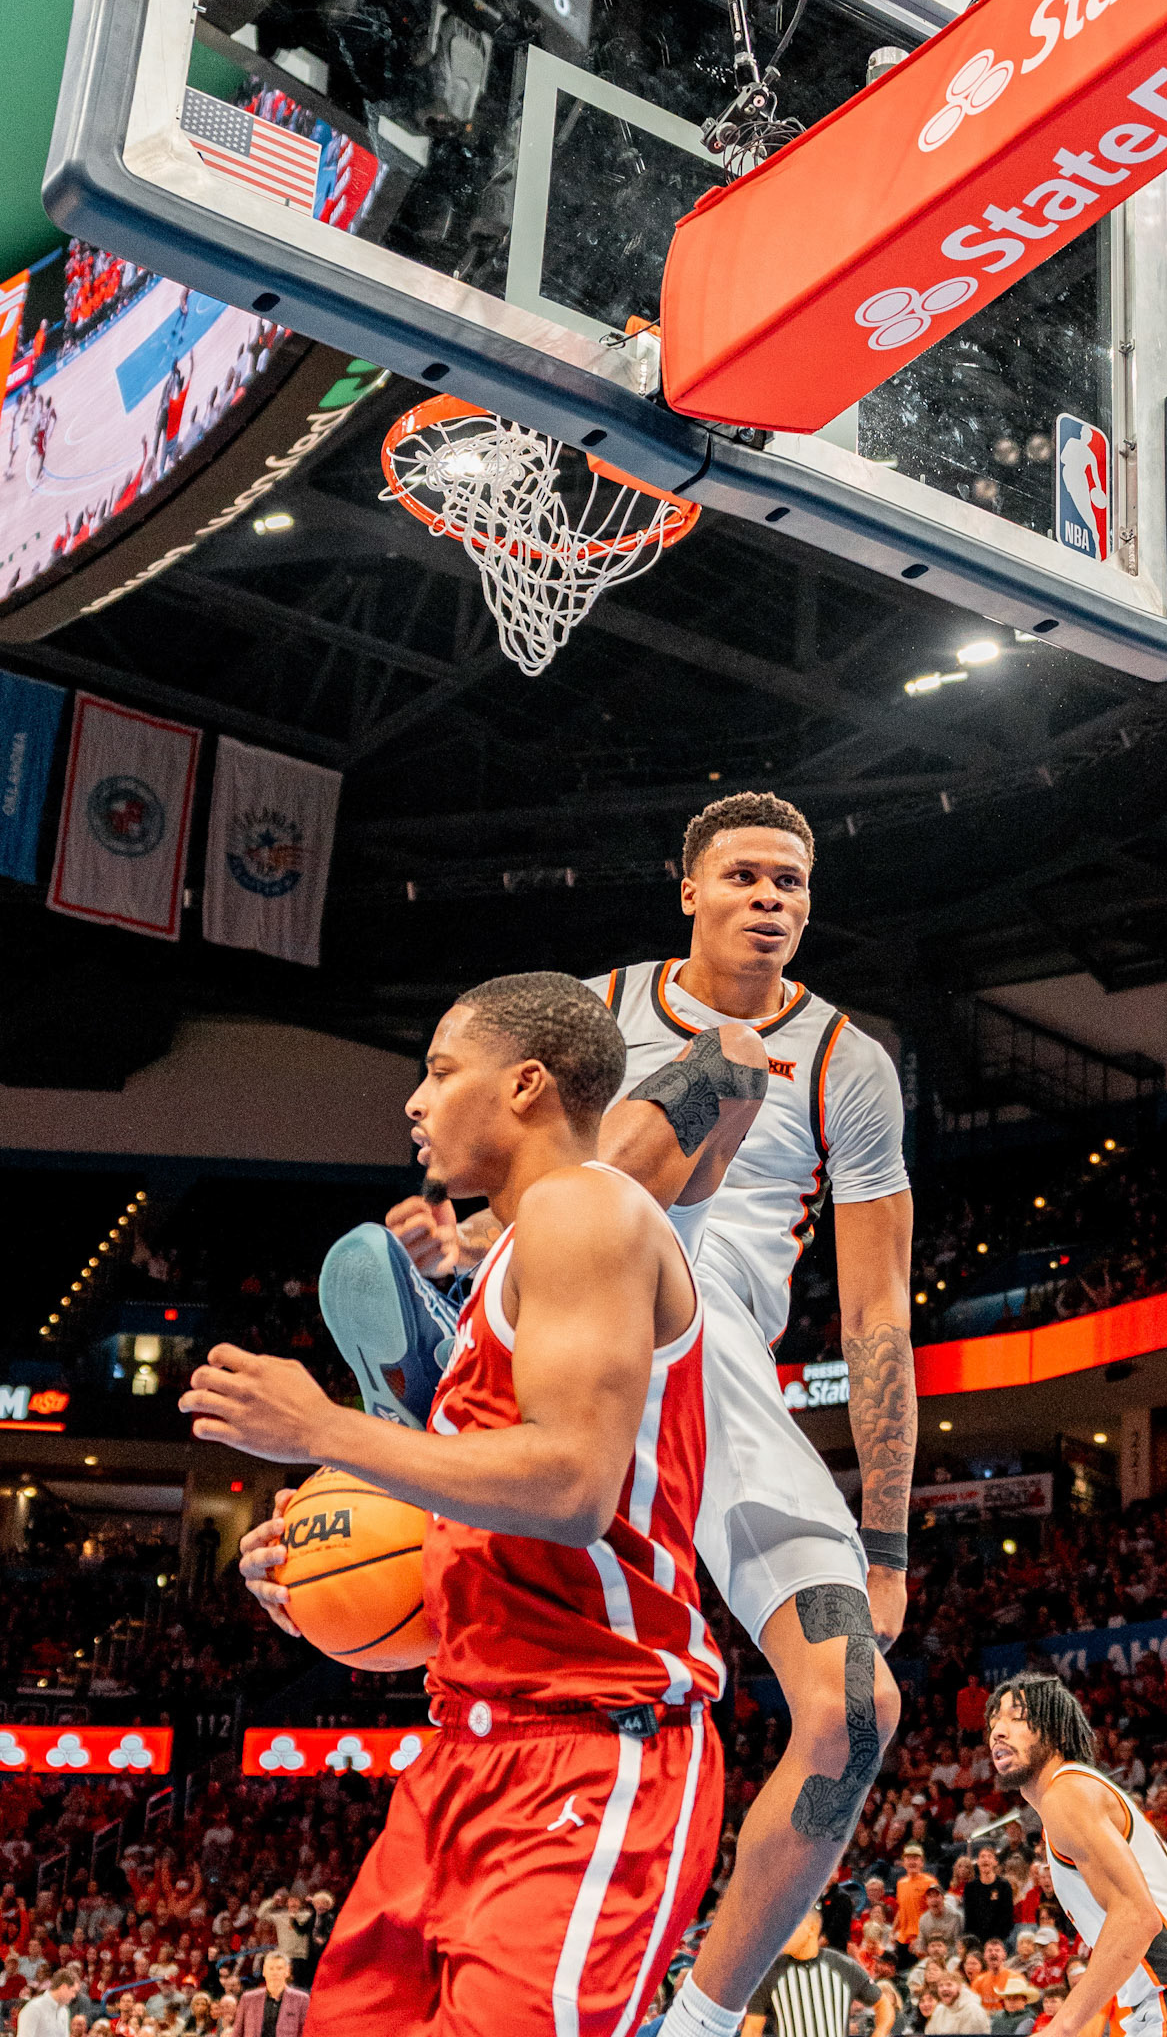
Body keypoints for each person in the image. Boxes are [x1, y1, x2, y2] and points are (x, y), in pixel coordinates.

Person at [378, 794, 914, 2037]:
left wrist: (886, 1544)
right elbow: (506, 1146)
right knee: (696, 1089)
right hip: (588, 1296)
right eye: (743, 875)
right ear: (689, 890)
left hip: (721, 1365)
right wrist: (473, 1237)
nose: (769, 898)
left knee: (856, 1711)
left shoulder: (849, 1061)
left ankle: (703, 2020)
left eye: (791, 880)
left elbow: (877, 1316)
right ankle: (472, 1316)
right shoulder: (592, 1008)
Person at [190, 972, 728, 2037]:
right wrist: (325, 1566)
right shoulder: (510, 1264)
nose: (415, 1099)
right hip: (462, 1744)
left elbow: (573, 1487)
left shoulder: (586, 1208)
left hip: (591, 1748)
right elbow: (503, 1532)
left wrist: (323, 1431)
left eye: (440, 1071)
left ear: (526, 1084)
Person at [988, 1673, 1167, 2035]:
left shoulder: (1066, 1793)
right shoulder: (1071, 1797)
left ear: (1056, 1731)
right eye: (994, 1721)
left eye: (1016, 1717)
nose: (998, 1731)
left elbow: (1137, 1918)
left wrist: (1061, 2027)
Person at [743, 1903, 892, 2037]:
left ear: (812, 1929)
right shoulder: (769, 1974)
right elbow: (752, 2029)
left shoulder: (843, 1965)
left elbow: (884, 2006)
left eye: (791, 1927)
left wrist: (879, 2033)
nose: (783, 1934)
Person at [231, 1955, 307, 2037]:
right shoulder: (248, 1999)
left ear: (287, 1971)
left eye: (279, 1968)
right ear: (264, 1972)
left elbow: (305, 2032)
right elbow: (237, 2032)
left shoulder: (301, 1999)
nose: (275, 1973)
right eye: (271, 1968)